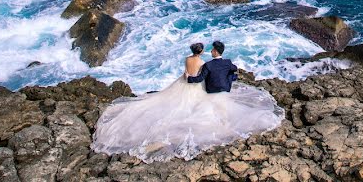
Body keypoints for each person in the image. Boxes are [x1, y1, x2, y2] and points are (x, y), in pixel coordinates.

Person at [91, 40, 284, 163]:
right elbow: (211, 76)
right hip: (198, 87)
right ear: (203, 52)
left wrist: (188, 78)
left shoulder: (190, 59)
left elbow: (195, 75)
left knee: (181, 105)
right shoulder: (206, 63)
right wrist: (229, 80)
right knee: (200, 106)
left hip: (184, 83)